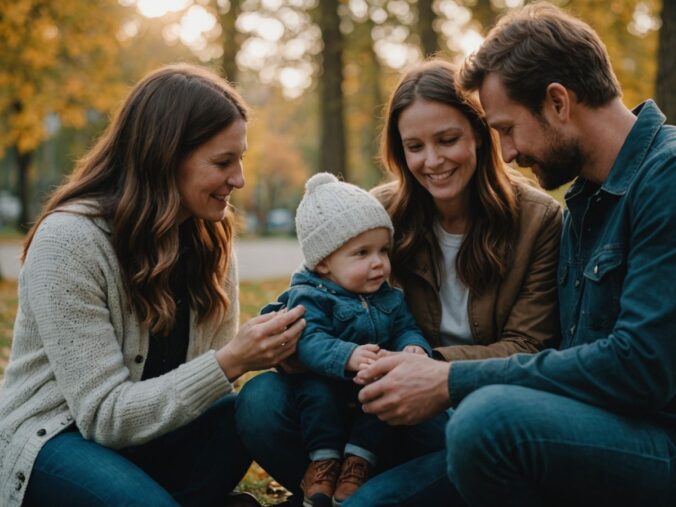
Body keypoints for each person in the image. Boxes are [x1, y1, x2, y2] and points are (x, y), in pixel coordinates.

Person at [355, 3, 676, 506]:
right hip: (594, 428)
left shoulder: (667, 178)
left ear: (557, 102)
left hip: (658, 440)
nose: (504, 152)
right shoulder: (586, 198)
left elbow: (640, 366)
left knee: (490, 418)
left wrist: (451, 378)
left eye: (505, 128)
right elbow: (569, 357)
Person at [235, 58, 562, 506]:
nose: (432, 161)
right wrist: (302, 344)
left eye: (448, 140)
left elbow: (531, 345)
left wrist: (427, 367)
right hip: (372, 401)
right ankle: (328, 488)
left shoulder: (538, 220)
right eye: (415, 146)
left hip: (462, 407)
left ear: (480, 137)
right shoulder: (379, 213)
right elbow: (319, 292)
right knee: (262, 400)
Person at [0, 63, 306, 507]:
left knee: (263, 399)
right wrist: (230, 361)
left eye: (240, 159)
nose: (238, 178)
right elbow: (104, 417)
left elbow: (209, 393)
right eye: (222, 162)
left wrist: (282, 356)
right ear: (165, 158)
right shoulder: (68, 242)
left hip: (158, 442)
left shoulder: (211, 237)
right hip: (57, 439)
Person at [262, 172, 432, 506]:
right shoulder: (309, 296)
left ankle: (359, 463)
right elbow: (309, 339)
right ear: (324, 262)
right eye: (362, 253)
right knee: (316, 396)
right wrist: (348, 355)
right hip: (327, 383)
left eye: (383, 251)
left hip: (368, 385)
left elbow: (405, 327)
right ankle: (323, 462)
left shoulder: (389, 296)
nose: (378, 264)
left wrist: (414, 346)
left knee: (380, 401)